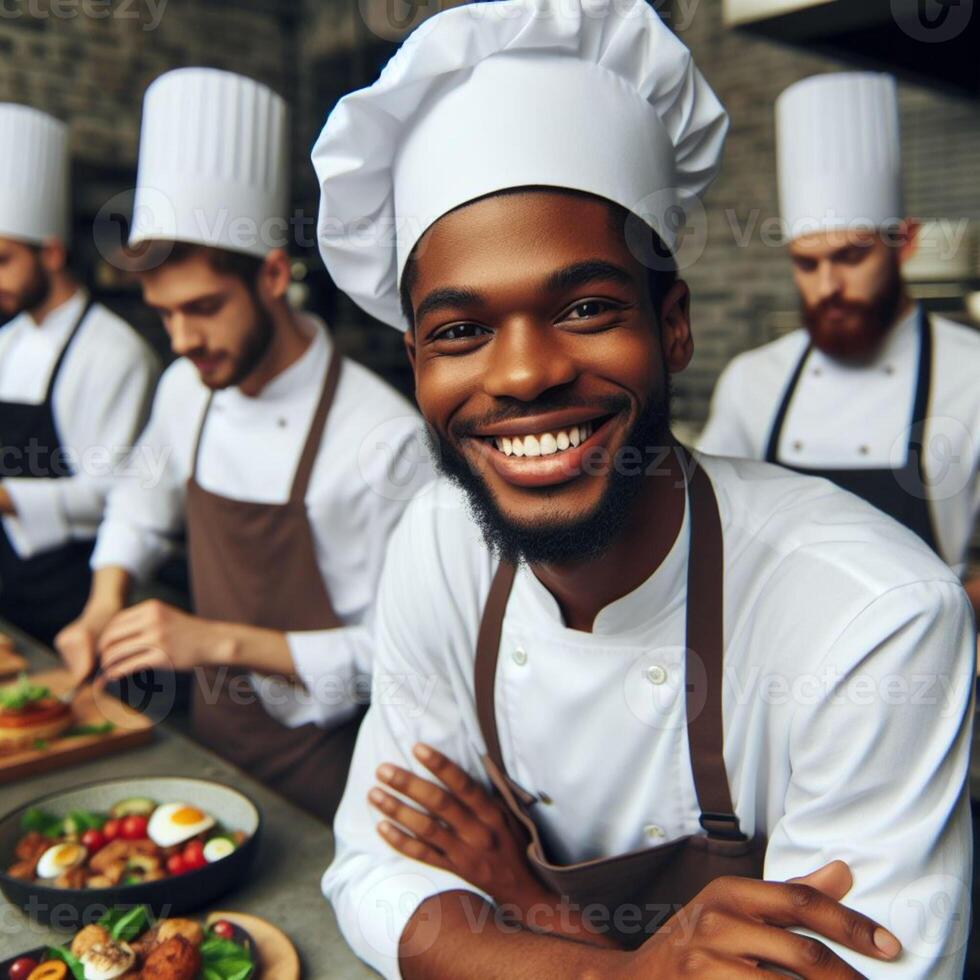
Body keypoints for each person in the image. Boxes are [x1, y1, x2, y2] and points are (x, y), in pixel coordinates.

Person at [312, 1, 973, 977]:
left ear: (671, 325)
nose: (525, 373)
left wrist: (521, 911)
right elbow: (375, 866)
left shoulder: (873, 616)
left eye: (583, 306)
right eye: (460, 330)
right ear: (414, 361)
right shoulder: (436, 540)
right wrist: (614, 969)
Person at [56, 68, 430, 822]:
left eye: (203, 308)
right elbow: (141, 497)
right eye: (164, 315)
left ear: (269, 275)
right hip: (212, 748)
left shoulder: (383, 439)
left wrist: (216, 643)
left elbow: (403, 659)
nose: (183, 339)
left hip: (334, 774)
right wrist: (105, 599)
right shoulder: (188, 387)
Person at [699, 72, 980, 618]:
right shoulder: (752, 381)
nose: (828, 287)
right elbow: (708, 535)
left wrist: (923, 619)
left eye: (852, 257)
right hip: (779, 663)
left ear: (906, 242)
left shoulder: (973, 375)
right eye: (807, 263)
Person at [0, 104, 159, 644]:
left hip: (77, 595)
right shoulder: (7, 339)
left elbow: (117, 492)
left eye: (2, 259)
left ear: (50, 252)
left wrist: (6, 497)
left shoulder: (116, 354)